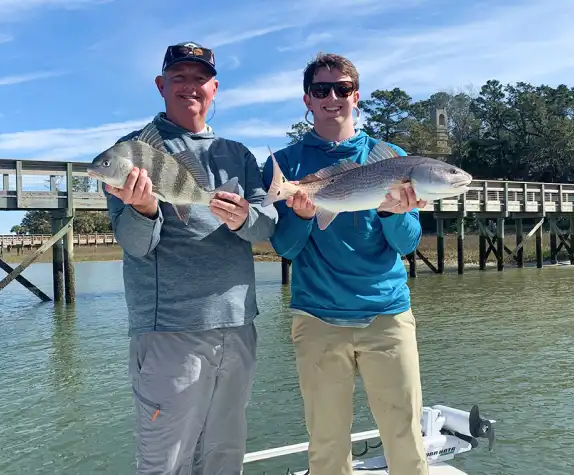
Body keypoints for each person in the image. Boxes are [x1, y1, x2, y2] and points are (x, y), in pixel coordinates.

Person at [103, 41, 277, 475]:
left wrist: (244, 219)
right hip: (170, 332)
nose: (190, 86)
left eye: (199, 78)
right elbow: (135, 244)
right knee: (166, 461)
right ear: (161, 85)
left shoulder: (239, 154)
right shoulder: (128, 155)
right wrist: (144, 209)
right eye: (179, 77)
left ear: (214, 88)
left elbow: (266, 227)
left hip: (238, 325)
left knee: (224, 454)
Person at [261, 52, 429, 475]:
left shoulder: (392, 157)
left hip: (387, 316)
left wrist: (393, 211)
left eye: (342, 89)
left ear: (357, 96)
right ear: (307, 99)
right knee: (326, 445)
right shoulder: (287, 164)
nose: (332, 97)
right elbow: (285, 248)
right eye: (322, 90)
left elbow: (407, 244)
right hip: (317, 319)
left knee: (405, 437)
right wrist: (301, 216)